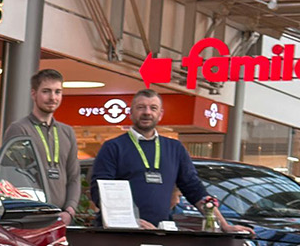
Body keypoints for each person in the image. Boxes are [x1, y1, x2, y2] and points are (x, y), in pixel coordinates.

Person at [90, 89, 244, 233]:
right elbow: (101, 190)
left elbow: (194, 189)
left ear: (160, 114)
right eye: (141, 107)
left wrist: (224, 225)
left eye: (153, 108)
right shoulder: (113, 147)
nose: (147, 112)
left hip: (160, 233)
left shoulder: (175, 148)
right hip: (120, 234)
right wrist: (131, 222)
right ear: (131, 112)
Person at [0, 69, 80, 215]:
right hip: (31, 215)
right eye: (46, 91)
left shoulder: (67, 132)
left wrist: (70, 209)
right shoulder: (19, 129)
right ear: (33, 94)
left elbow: (74, 176)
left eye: (57, 92)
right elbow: (12, 175)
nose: (52, 97)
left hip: (61, 216)